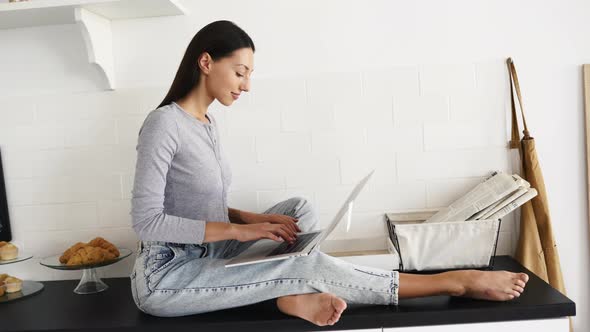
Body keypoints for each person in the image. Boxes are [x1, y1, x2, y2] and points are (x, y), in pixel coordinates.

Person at [129, 20, 529, 327]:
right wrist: (242, 232)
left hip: (209, 250)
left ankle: (290, 295)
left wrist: (252, 219)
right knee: (302, 265)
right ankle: (453, 281)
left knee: (298, 210)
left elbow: (193, 199)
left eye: (249, 74)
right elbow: (148, 222)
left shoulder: (206, 123)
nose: (247, 85)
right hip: (167, 274)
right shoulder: (163, 124)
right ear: (205, 62)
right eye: (240, 72)